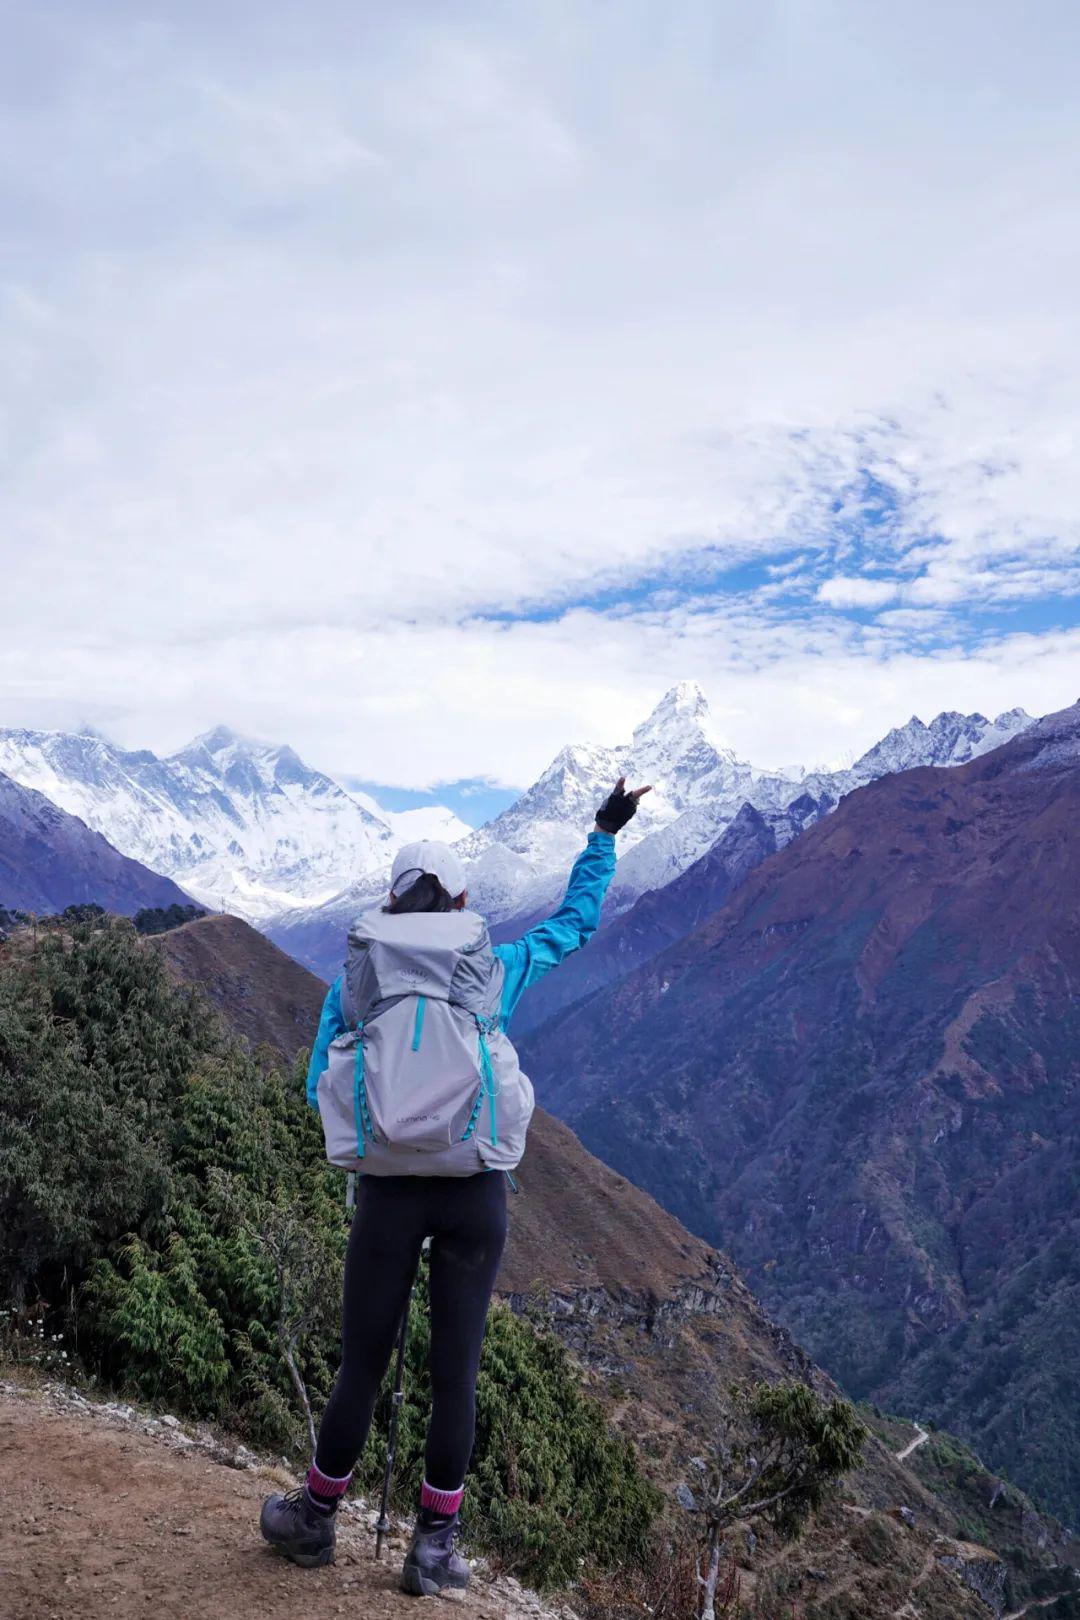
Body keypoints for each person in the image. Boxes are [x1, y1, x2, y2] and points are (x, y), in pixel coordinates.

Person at [260, 776, 651, 1596]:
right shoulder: (492, 970)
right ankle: (433, 1550)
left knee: (362, 1364)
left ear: (391, 901)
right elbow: (575, 927)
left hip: (387, 1194)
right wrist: (604, 832)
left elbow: (318, 1089)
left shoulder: (355, 984)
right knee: (455, 1375)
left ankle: (315, 1520)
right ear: (463, 899)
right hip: (476, 1192)